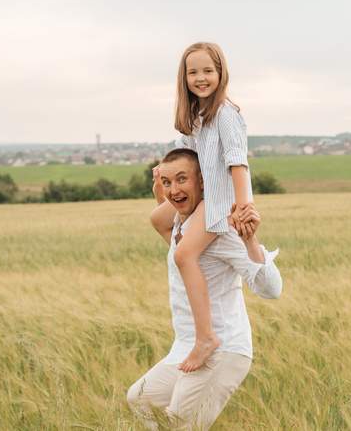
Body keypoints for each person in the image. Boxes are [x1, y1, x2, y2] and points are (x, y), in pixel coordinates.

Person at [127, 148, 282, 430]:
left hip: (223, 349)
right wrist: (160, 193)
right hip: (186, 345)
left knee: (180, 423)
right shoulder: (181, 227)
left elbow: (272, 290)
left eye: (182, 179)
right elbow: (162, 223)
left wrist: (251, 241)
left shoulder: (220, 231)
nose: (174, 189)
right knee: (141, 398)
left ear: (202, 181)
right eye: (167, 182)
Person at [151, 42, 258, 372]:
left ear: (221, 73)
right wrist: (163, 172)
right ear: (183, 78)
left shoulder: (225, 114)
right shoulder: (195, 118)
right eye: (193, 72)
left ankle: (205, 337)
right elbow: (184, 157)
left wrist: (242, 205)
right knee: (158, 219)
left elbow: (238, 163)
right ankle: (197, 259)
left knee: (184, 254)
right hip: (200, 197)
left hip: (220, 201)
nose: (201, 78)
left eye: (208, 71)